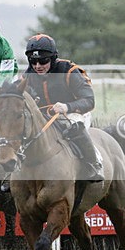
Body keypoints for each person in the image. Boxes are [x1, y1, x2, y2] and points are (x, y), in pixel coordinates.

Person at [22, 33, 103, 181]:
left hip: (73, 113)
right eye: (33, 61)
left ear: (53, 58)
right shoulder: (27, 76)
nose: (38, 66)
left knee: (75, 125)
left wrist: (67, 107)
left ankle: (93, 164)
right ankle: (13, 172)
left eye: (43, 61)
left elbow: (89, 101)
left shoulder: (69, 70)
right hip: (44, 116)